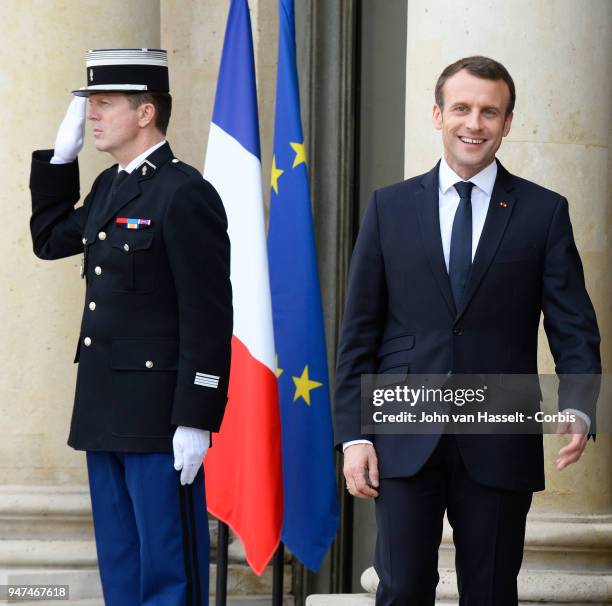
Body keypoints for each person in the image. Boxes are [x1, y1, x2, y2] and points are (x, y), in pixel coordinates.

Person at [334, 56, 601, 605]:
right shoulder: (389, 207)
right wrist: (354, 434)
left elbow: (573, 321)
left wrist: (579, 402)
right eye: (461, 108)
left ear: (507, 123)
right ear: (437, 114)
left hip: (499, 429)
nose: (473, 123)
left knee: (491, 591)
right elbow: (359, 329)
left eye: (488, 112)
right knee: (403, 588)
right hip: (403, 428)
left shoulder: (544, 212)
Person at [29, 48, 232, 606]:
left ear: (146, 113)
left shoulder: (183, 192)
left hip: (158, 416)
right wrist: (59, 159)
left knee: (168, 571)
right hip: (104, 408)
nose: (92, 115)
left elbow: (208, 313)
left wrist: (197, 417)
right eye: (90, 104)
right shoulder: (109, 188)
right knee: (121, 567)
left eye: (104, 103)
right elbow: (48, 240)